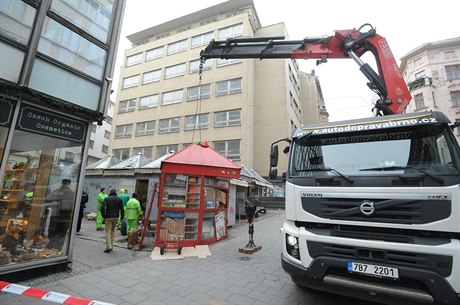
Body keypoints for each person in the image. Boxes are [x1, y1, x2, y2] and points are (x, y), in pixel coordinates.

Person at [46, 179, 75, 248]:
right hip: (66, 217)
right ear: (69, 184)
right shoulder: (72, 193)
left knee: (52, 232)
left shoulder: (55, 192)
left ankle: (49, 247)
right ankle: (57, 249)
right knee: (62, 233)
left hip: (55, 216)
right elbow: (73, 206)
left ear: (62, 183)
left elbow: (48, 201)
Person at [101, 188, 124, 253]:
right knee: (113, 231)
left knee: (108, 231)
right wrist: (122, 217)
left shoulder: (107, 198)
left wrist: (103, 216)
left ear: (110, 192)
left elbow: (102, 207)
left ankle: (108, 246)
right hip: (116, 217)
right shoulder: (119, 199)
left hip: (108, 217)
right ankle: (112, 245)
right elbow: (122, 209)